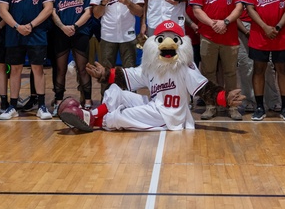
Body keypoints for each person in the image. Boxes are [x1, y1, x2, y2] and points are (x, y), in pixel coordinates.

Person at [60, 20, 243, 132]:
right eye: (162, 38)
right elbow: (127, 75)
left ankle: (94, 121)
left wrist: (225, 97)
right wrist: (105, 74)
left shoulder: (185, 68)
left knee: (119, 117)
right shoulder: (152, 65)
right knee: (115, 91)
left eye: (174, 38)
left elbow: (205, 89)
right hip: (154, 105)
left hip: (169, 117)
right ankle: (90, 116)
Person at [0, 0, 55, 119]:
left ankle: (42, 106)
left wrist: (31, 25)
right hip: (14, 34)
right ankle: (12, 106)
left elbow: (48, 8)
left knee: (38, 69)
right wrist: (17, 26)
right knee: (15, 69)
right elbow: (2, 11)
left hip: (37, 33)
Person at [189, 0, 245, 120]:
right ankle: (211, 105)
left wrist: (225, 22)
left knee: (230, 73)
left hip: (229, 35)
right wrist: (212, 23)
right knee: (208, 72)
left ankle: (232, 106)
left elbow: (239, 6)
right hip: (208, 36)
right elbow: (196, 10)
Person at [90, 0, 144, 100]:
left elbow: (139, 12)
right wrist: (102, 3)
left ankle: (132, 103)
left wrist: (128, 3)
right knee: (106, 72)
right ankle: (106, 102)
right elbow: (95, 14)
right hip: (108, 36)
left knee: (130, 73)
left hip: (128, 36)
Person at [235, 0, 280, 113]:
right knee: (246, 67)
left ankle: (273, 101)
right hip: (243, 30)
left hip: (261, 28)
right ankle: (249, 101)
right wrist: (246, 31)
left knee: (267, 66)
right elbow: (236, 15)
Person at [50, 0, 93, 114]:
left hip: (79, 33)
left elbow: (88, 13)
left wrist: (74, 26)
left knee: (82, 69)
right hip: (61, 33)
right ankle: (58, 101)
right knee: (60, 69)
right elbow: (52, 11)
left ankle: (87, 101)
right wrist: (62, 26)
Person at [82, 0, 107, 108]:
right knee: (85, 67)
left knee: (104, 67)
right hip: (86, 29)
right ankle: (85, 98)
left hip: (105, 30)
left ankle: (106, 97)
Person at [185, 0, 209, 65]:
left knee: (209, 66)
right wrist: (192, 24)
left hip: (209, 29)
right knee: (192, 64)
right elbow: (181, 9)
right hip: (191, 30)